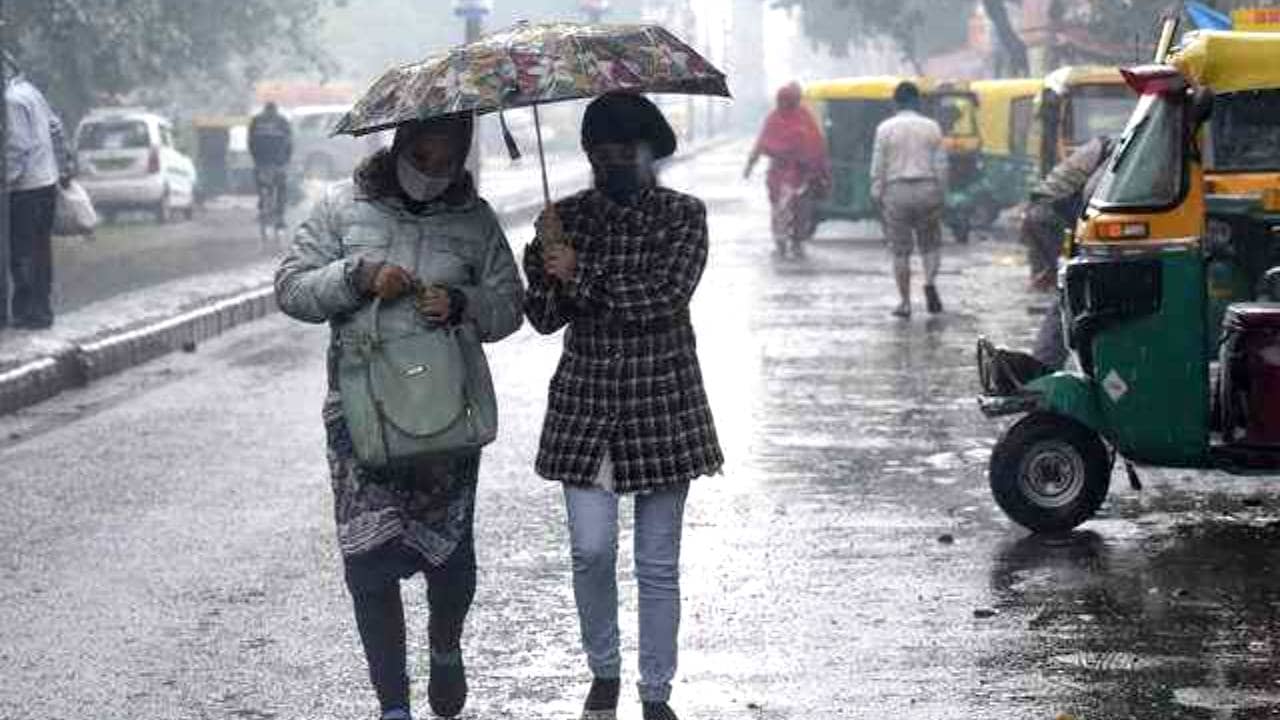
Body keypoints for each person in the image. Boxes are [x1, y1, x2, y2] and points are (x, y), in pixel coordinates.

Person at [274, 114, 523, 720]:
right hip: (363, 416)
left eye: (447, 162)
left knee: (450, 560)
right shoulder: (341, 208)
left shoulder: (475, 219)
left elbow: (509, 306)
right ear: (401, 146)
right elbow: (291, 288)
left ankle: (445, 647)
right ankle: (393, 704)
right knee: (369, 563)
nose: (433, 173)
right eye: (423, 158)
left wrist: (462, 302)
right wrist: (356, 277)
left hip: (446, 412)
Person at [522, 92, 724, 720]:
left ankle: (656, 691)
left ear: (650, 151)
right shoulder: (565, 219)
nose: (612, 161)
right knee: (590, 551)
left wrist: (581, 274)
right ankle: (603, 671)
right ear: (587, 154)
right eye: (600, 151)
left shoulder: (682, 216)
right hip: (585, 408)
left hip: (662, 405)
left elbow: (662, 297)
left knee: (657, 563)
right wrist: (545, 261)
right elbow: (544, 319)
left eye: (625, 149)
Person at [870, 81, 948, 318]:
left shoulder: (885, 128)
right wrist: (941, 192)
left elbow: (878, 165)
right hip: (927, 188)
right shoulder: (932, 127)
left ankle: (904, 303)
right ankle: (929, 282)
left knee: (900, 251)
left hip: (896, 191)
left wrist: (877, 192)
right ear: (918, 101)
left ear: (895, 102)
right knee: (930, 244)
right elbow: (941, 165)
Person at [4, 54, 71, 329]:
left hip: (25, 187)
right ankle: (39, 309)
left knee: (22, 252)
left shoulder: (10, 100)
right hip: (46, 182)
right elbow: (56, 127)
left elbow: (17, 146)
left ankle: (29, 311)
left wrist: (6, 181)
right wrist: (62, 165)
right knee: (40, 250)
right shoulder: (30, 91)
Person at [744, 82, 831, 258]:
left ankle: (797, 242)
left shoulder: (804, 116)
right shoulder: (774, 118)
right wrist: (750, 165)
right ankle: (781, 242)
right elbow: (761, 143)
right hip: (780, 176)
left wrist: (820, 170)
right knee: (780, 209)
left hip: (802, 175)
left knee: (801, 210)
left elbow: (816, 144)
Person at [1023, 136, 1115, 291]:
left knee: (1051, 274)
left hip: (1036, 210)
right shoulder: (1112, 154)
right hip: (1052, 211)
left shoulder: (1097, 146)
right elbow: (1089, 193)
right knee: (1067, 274)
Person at [248, 101, 293, 229]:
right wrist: (287, 160)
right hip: (278, 162)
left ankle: (262, 204)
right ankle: (280, 217)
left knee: (261, 184)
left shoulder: (256, 121)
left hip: (261, 161)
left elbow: (250, 142)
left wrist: (255, 159)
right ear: (275, 110)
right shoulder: (282, 121)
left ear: (265, 110)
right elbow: (289, 142)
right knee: (281, 188)